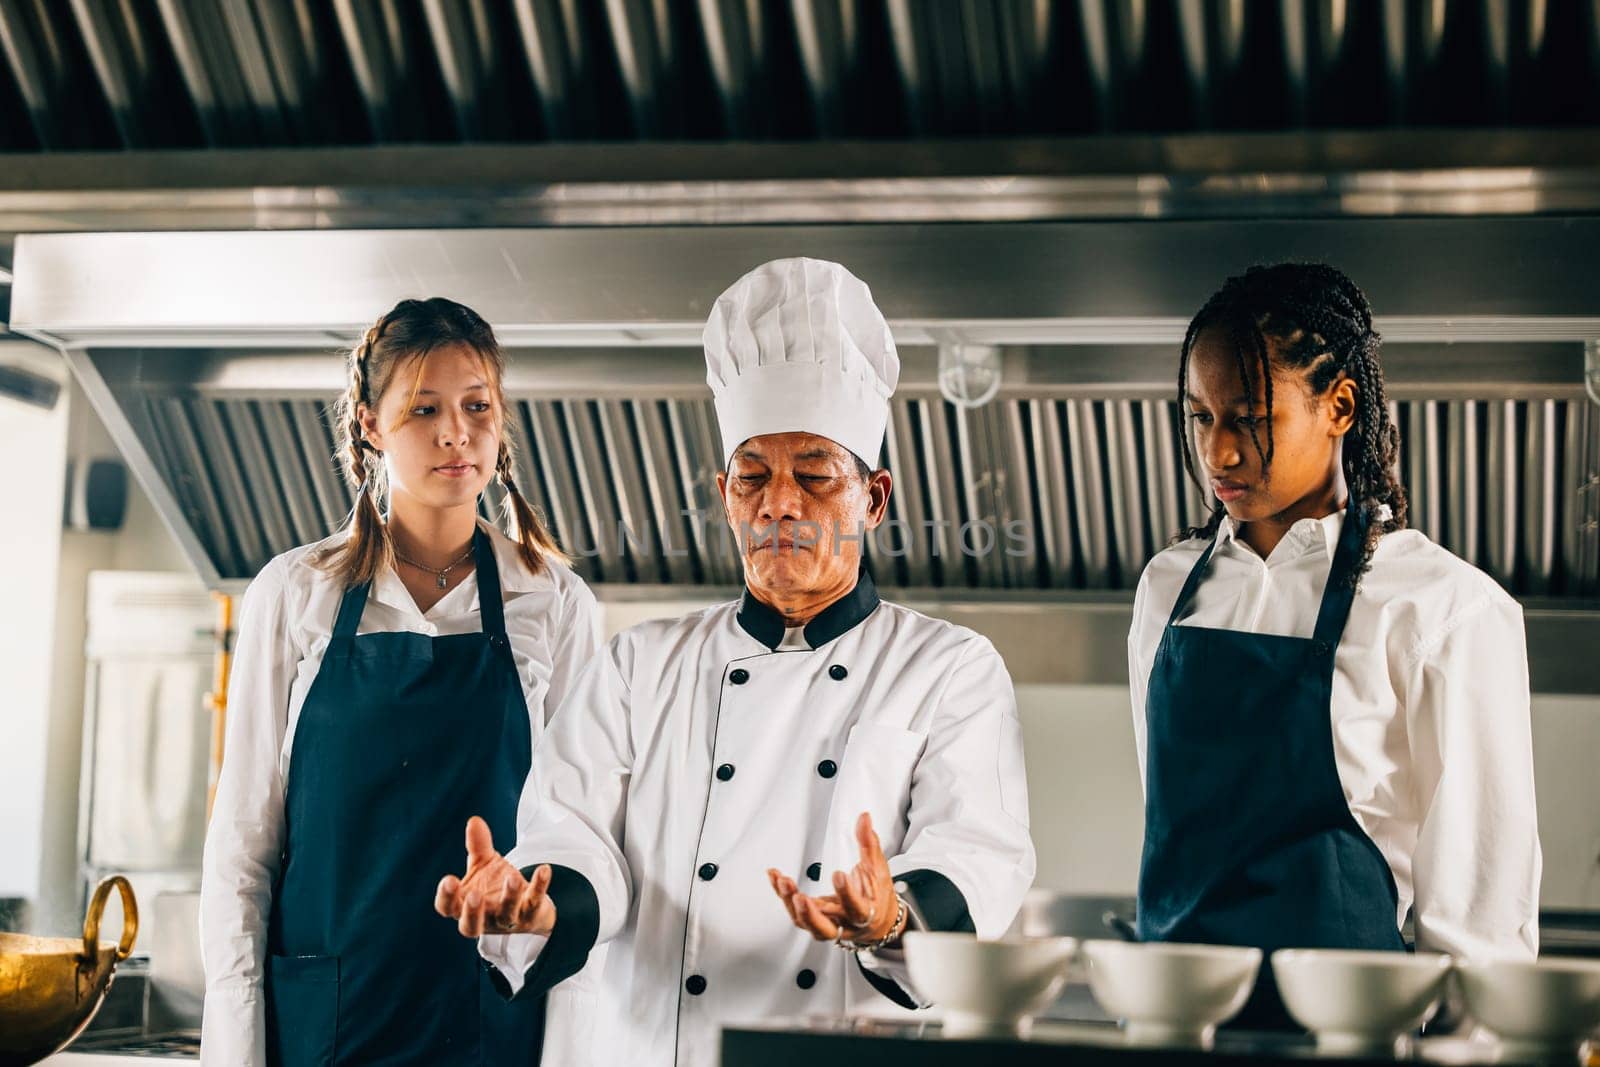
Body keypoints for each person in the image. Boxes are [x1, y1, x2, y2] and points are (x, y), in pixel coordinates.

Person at [434, 257, 1036, 1065]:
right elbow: (574, 840)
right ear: (724, 495)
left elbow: (975, 854)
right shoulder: (638, 663)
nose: (778, 502)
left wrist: (889, 914)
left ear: (876, 498)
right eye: (752, 476)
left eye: (815, 475)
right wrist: (534, 902)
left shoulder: (947, 667)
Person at [1129, 263, 1541, 1025]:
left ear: (1340, 406)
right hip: (1173, 1031)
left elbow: (1482, 936)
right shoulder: (1167, 589)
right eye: (1198, 416)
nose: (1218, 452)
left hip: (1351, 1039)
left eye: (1249, 418)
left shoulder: (1442, 608)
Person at [200, 298, 602, 1065]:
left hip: (489, 1025)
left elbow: (580, 849)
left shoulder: (552, 602)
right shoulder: (293, 594)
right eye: (424, 408)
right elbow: (243, 848)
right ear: (371, 424)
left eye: (476, 405)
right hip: (326, 1026)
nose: (457, 431)